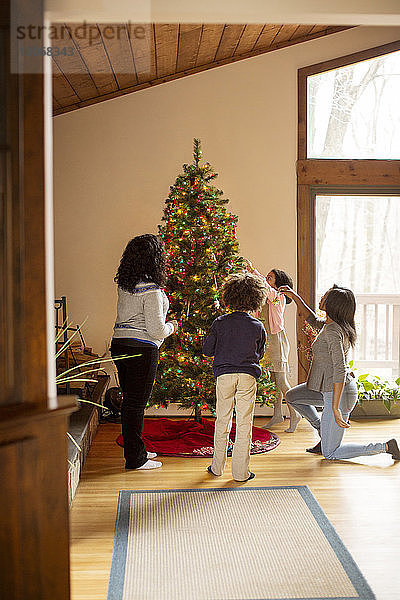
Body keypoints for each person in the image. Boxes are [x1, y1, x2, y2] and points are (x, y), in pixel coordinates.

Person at [279, 284, 400, 461]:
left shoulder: (333, 331)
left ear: (333, 305)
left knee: (330, 453)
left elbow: (340, 369)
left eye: (325, 297)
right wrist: (294, 295)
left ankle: (387, 446)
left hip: (339, 394)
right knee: (292, 396)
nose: (321, 299)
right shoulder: (330, 326)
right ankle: (323, 431)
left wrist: (335, 407)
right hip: (326, 389)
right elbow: (311, 319)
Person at [110, 234, 178, 470]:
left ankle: (136, 451)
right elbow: (157, 330)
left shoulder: (125, 286)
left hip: (119, 344)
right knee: (135, 405)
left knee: (129, 402)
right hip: (142, 349)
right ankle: (135, 459)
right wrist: (173, 326)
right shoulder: (152, 290)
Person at [202, 272, 267, 482]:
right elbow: (260, 353)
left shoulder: (220, 323)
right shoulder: (258, 326)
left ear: (230, 295)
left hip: (224, 376)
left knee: (223, 419)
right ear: (255, 298)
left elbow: (207, 350)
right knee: (244, 422)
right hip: (248, 376)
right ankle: (241, 473)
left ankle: (217, 467)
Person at [245, 261, 301, 433]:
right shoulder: (266, 298)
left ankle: (295, 413)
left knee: (282, 381)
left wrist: (254, 271)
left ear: (278, 283)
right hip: (265, 342)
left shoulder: (278, 297)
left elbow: (267, 290)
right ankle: (277, 414)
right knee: (273, 382)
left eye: (270, 277)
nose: (266, 279)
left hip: (277, 341)